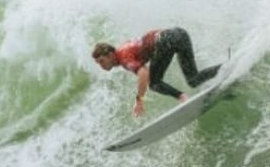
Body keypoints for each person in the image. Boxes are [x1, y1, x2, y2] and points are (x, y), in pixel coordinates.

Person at [92, 27, 220, 117]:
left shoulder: (123, 57)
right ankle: (225, 67)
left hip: (165, 40)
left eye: (102, 61)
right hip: (179, 34)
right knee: (193, 80)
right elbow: (145, 70)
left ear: (110, 55)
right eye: (98, 64)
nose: (101, 66)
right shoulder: (124, 51)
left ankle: (183, 98)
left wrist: (139, 100)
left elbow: (143, 74)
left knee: (154, 84)